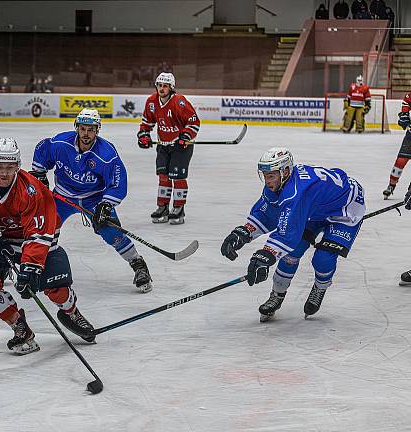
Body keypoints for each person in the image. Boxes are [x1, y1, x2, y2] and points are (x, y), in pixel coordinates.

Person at [0, 138, 95, 354]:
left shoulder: (33, 190)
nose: (4, 173)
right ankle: (20, 328)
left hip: (37, 240)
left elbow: (39, 234)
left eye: (9, 167)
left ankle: (71, 311)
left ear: (18, 166)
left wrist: (30, 267)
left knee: (56, 289)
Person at [221, 147, 366, 321]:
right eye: (265, 175)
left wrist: (265, 255)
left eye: (271, 176)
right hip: (315, 208)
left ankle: (320, 287)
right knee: (292, 253)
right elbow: (267, 213)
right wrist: (243, 233)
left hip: (345, 209)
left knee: (323, 259)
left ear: (286, 171)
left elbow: (286, 233)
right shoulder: (280, 183)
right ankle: (277, 294)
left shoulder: (296, 192)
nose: (267, 181)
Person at [30, 108, 153, 292]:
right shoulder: (61, 143)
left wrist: (106, 204)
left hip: (93, 199)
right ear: (77, 128)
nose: (86, 134)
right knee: (45, 228)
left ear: (97, 130)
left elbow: (118, 182)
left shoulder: (106, 154)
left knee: (111, 232)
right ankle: (40, 266)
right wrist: (39, 173)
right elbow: (42, 149)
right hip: (62, 196)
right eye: (83, 129)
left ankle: (138, 264)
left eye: (91, 129)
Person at [137, 72, 201, 224]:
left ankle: (179, 208)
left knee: (178, 177)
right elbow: (147, 123)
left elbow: (193, 122)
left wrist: (185, 136)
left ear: (171, 88)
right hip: (163, 146)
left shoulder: (179, 102)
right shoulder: (152, 101)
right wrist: (143, 135)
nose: (161, 88)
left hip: (181, 146)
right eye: (159, 85)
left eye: (165, 86)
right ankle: (163, 207)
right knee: (163, 176)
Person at [382, 91, 411, 199]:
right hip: (410, 136)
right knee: (400, 162)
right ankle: (391, 185)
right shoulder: (409, 95)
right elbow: (406, 105)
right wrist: (404, 116)